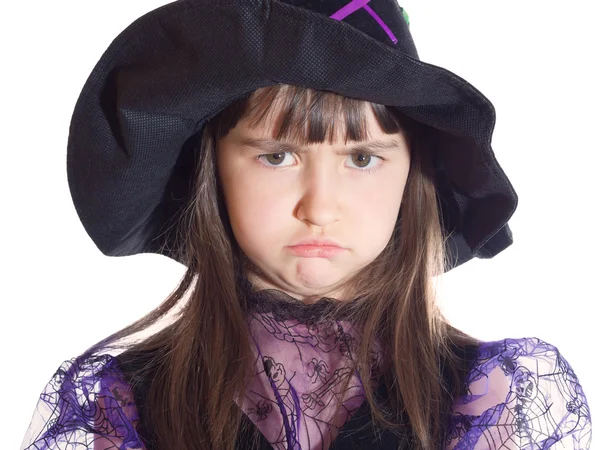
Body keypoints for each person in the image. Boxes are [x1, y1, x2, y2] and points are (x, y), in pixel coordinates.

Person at [20, 0, 592, 449]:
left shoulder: (476, 396)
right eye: (277, 156)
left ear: (413, 170)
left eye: (362, 158)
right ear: (211, 165)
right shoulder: (133, 399)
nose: (319, 207)